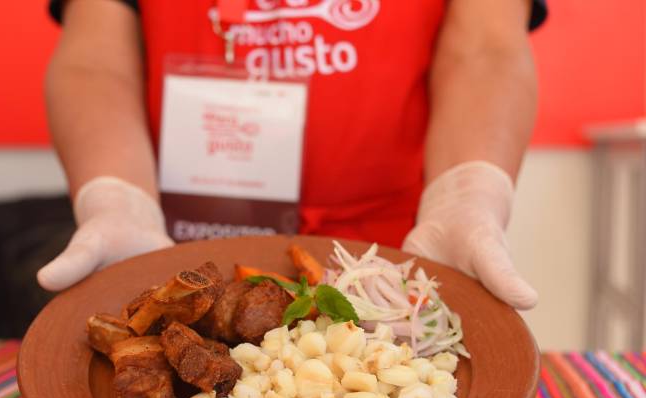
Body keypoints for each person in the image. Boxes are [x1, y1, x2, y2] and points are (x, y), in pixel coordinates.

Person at [38, 0, 546, 311]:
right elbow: (96, 61)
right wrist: (117, 197)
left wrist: (468, 194)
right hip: (180, 250)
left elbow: (486, 49)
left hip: (396, 258)